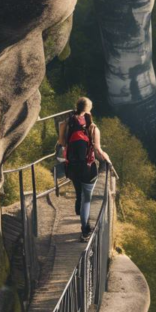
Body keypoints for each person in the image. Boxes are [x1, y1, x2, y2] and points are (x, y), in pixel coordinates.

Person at [58, 97, 112, 242]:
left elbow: (62, 143)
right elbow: (98, 150)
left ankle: (79, 204)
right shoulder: (93, 128)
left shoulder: (66, 124)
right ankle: (85, 231)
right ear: (89, 109)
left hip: (72, 167)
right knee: (86, 200)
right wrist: (108, 160)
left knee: (79, 192)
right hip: (88, 168)